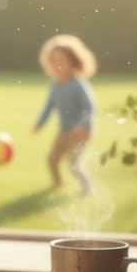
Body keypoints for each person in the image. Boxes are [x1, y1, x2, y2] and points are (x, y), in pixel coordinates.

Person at [32, 34, 98, 196]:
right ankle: (58, 186)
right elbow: (49, 106)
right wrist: (39, 123)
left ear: (72, 62)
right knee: (52, 160)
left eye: (61, 61)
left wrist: (82, 124)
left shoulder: (78, 85)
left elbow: (90, 108)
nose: (57, 65)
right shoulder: (54, 84)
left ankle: (87, 189)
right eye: (54, 61)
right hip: (64, 130)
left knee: (73, 164)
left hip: (81, 132)